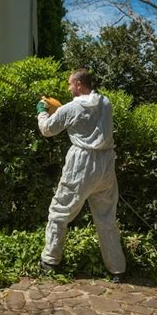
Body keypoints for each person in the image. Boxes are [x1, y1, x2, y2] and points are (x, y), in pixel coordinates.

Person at [36, 68, 126, 282]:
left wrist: (43, 111)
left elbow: (48, 129)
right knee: (106, 218)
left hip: (82, 164)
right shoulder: (106, 102)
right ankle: (117, 269)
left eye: (70, 84)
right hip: (106, 164)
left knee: (60, 211)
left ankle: (49, 261)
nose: (69, 88)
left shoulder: (71, 107)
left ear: (78, 84)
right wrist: (60, 109)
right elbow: (86, 114)